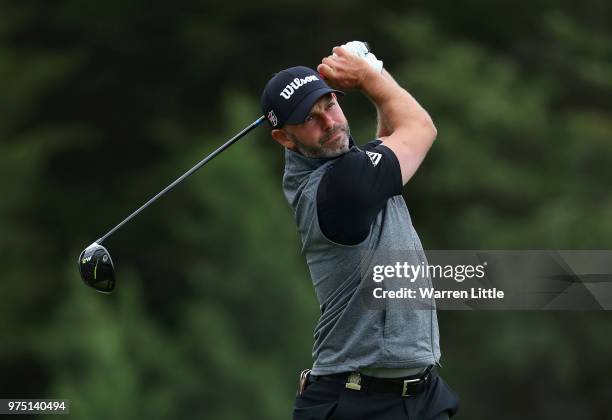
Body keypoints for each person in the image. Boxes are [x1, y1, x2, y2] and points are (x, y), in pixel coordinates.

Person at [261, 42, 460, 420]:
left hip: (421, 395)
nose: (330, 123)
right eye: (310, 119)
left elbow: (388, 135)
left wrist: (372, 73)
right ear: (285, 138)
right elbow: (419, 127)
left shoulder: (351, 169)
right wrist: (369, 75)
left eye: (330, 105)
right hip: (357, 403)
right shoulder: (341, 189)